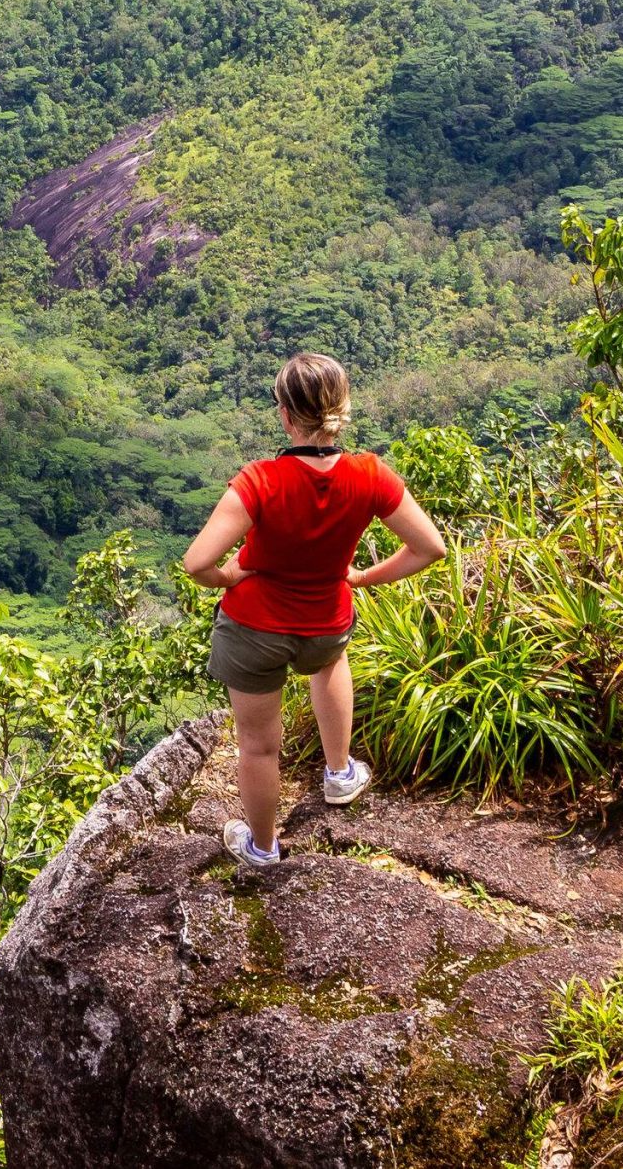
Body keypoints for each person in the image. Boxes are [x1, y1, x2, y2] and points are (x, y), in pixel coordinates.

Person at [181, 352, 447, 868]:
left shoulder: (260, 480)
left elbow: (196, 563)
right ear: (341, 409)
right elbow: (430, 548)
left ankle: (262, 848)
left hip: (254, 627)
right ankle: (340, 773)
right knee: (330, 664)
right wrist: (364, 576)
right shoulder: (370, 475)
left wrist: (230, 575)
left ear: (285, 414)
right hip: (326, 622)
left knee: (259, 746)